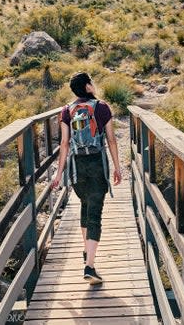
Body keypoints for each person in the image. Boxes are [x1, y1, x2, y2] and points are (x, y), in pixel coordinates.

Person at [50, 72, 122, 284]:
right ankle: (89, 267)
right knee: (95, 214)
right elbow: (111, 140)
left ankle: (86, 251)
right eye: (91, 82)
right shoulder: (101, 107)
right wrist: (117, 167)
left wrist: (59, 171)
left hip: (77, 167)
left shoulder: (66, 111)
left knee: (85, 205)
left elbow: (64, 144)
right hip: (97, 165)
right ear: (88, 87)